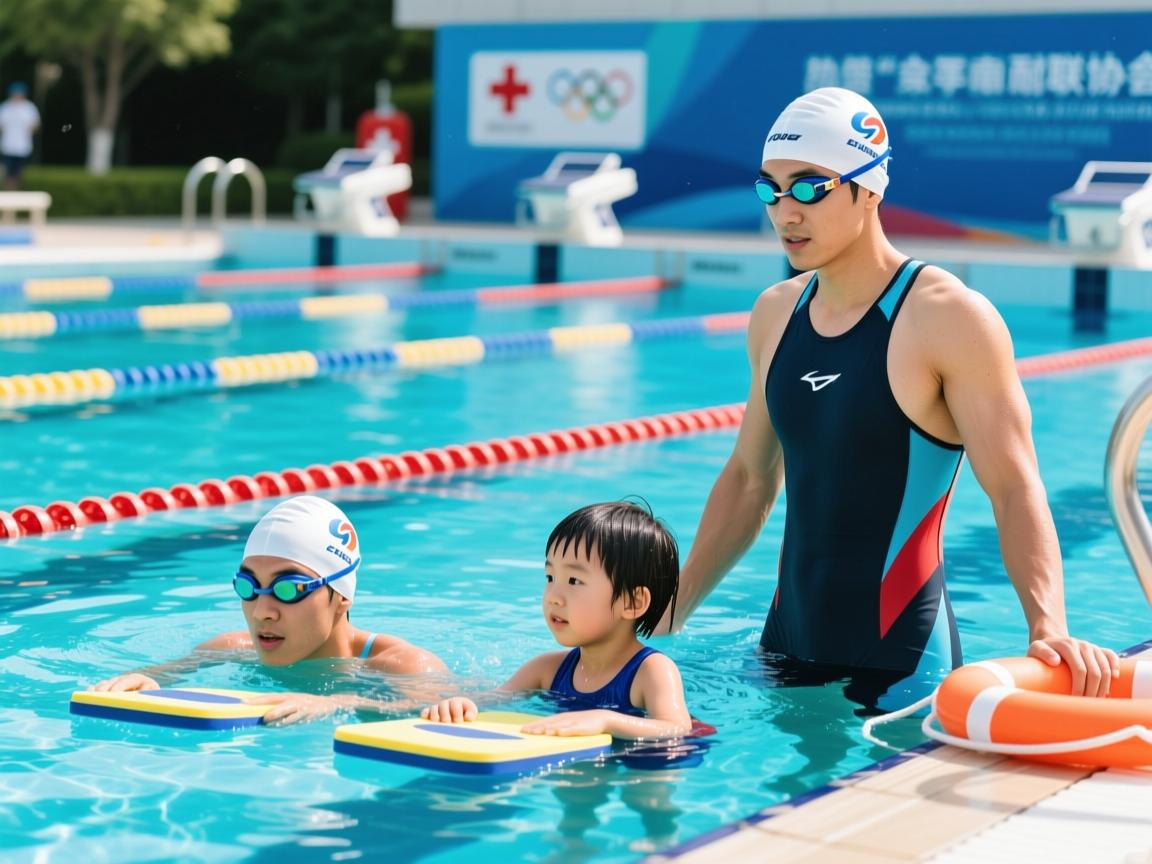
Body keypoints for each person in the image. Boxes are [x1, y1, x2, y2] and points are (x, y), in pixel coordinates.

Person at [665, 87, 1118, 706]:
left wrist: (1048, 627)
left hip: (901, 664)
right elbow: (749, 478)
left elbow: (1014, 487)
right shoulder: (776, 313)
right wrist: (672, 612)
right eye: (770, 188)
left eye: (807, 187)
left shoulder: (949, 317)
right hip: (782, 647)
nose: (783, 212)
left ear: (868, 186)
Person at [92, 495, 447, 723]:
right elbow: (166, 674)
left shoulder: (402, 666)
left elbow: (442, 708)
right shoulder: (231, 649)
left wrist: (338, 702)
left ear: (341, 595)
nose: (262, 611)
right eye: (248, 587)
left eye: (288, 589)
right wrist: (151, 681)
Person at [423, 501, 692, 739]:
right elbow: (492, 701)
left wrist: (605, 720)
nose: (553, 596)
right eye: (550, 578)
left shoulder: (651, 671)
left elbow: (675, 727)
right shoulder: (546, 670)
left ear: (632, 603)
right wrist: (460, 704)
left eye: (574, 580)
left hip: (646, 762)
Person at [0, 82, 40, 191]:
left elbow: (36, 125)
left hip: (23, 147)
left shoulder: (29, 108)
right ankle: (8, 197)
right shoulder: (5, 107)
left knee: (19, 173)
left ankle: (16, 196)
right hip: (8, 147)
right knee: (7, 174)